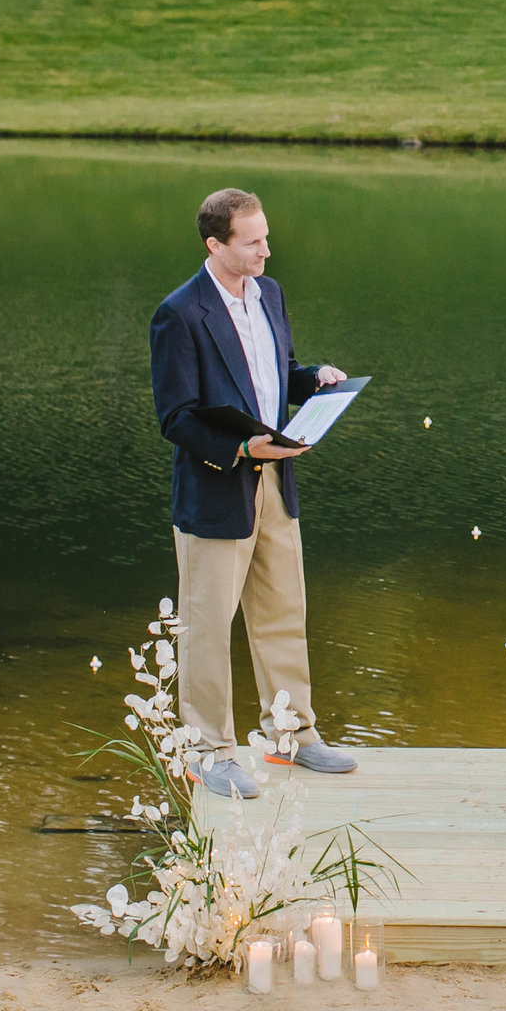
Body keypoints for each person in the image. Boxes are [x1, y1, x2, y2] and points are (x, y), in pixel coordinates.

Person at [148, 187, 360, 799]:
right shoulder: (179, 314)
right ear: (216, 245)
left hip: (276, 484)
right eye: (254, 241)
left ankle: (290, 736)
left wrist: (313, 379)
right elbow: (177, 418)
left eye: (266, 236)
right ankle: (208, 751)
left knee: (283, 615)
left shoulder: (269, 293)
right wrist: (242, 449)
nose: (268, 249)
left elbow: (272, 374)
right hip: (218, 487)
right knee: (208, 627)